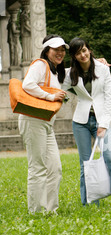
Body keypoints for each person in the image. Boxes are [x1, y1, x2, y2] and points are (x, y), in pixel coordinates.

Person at [62, 37, 111, 207]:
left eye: (84, 50)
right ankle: (90, 203)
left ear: (89, 50)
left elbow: (109, 98)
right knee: (86, 164)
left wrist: (104, 125)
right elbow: (59, 89)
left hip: (102, 120)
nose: (83, 55)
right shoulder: (70, 73)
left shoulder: (103, 68)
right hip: (81, 122)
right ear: (74, 56)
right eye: (78, 53)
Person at [18, 35, 68, 213]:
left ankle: (50, 210)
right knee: (38, 167)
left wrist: (97, 62)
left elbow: (78, 70)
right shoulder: (40, 64)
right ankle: (37, 212)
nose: (60, 53)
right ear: (47, 50)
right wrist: (50, 96)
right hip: (33, 120)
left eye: (63, 50)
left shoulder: (56, 71)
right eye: (56, 49)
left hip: (46, 124)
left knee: (55, 168)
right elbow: (27, 85)